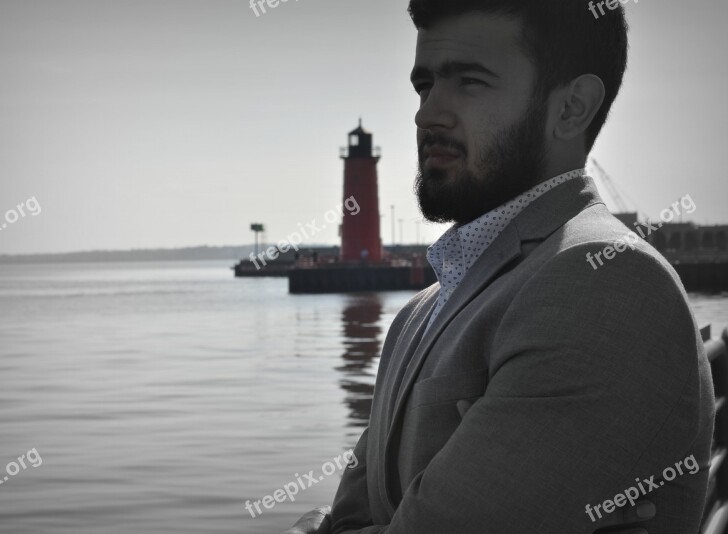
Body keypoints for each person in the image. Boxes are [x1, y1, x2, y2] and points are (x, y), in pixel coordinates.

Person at [285, 1, 715, 532]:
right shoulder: (419, 313)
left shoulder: (604, 278)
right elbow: (347, 520)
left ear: (572, 108)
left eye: (469, 81)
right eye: (424, 85)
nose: (428, 114)